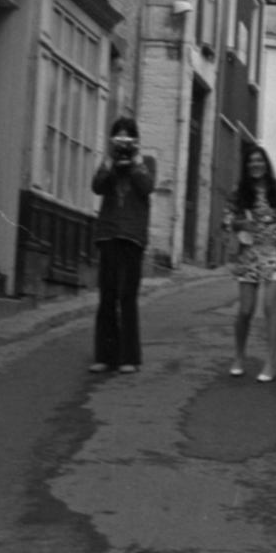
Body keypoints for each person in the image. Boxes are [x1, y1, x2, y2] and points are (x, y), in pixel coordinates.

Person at [224, 142, 276, 381]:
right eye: (251, 161)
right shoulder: (240, 192)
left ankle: (271, 362)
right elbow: (226, 219)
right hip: (249, 253)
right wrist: (238, 224)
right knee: (246, 310)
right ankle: (239, 356)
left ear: (266, 164)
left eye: (259, 160)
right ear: (246, 166)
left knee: (270, 305)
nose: (255, 164)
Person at [89, 115, 156, 374]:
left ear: (136, 140)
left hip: (133, 237)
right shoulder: (110, 163)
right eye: (119, 137)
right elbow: (97, 187)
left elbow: (146, 187)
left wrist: (136, 160)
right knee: (107, 296)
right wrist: (110, 160)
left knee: (127, 297)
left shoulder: (147, 162)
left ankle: (129, 358)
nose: (124, 143)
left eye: (129, 137)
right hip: (108, 234)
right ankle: (105, 356)